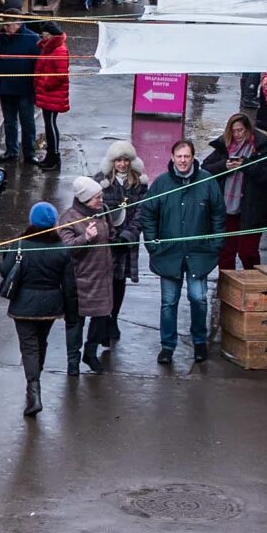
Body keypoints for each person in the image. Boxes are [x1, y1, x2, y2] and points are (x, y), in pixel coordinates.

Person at [138, 137, 225, 365]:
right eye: (179, 156)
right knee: (169, 302)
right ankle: (167, 346)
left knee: (198, 298)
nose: (183, 160)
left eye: (187, 156)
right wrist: (152, 243)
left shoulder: (207, 182)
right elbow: (148, 213)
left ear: (193, 157)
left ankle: (199, 342)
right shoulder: (162, 183)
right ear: (173, 158)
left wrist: (215, 243)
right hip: (169, 254)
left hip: (200, 254)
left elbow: (218, 214)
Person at [3, 200, 77, 416]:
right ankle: (35, 382)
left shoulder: (20, 245)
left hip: (23, 306)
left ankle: (33, 388)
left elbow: (4, 271)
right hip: (51, 306)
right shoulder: (62, 249)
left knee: (28, 347)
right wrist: (71, 312)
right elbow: (69, 284)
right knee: (40, 342)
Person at [203, 111, 267, 271]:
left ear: (248, 129)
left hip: (252, 209)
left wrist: (247, 166)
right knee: (226, 252)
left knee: (247, 252)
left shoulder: (263, 148)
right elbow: (206, 169)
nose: (237, 134)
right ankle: (226, 287)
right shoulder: (224, 147)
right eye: (234, 131)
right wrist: (224, 166)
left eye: (240, 130)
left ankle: (253, 284)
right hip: (226, 209)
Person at [60, 176, 116, 373]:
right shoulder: (69, 218)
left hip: (102, 277)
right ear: (84, 199)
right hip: (79, 280)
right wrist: (85, 238)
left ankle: (90, 353)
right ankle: (73, 361)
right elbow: (66, 248)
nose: (100, 200)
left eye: (101, 196)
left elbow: (111, 234)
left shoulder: (102, 212)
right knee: (76, 322)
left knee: (101, 317)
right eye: (96, 198)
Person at [96, 141, 152, 330]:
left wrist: (127, 235)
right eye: (118, 160)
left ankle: (114, 318)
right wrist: (107, 235)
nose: (122, 164)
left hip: (126, 241)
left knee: (119, 281)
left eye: (126, 160)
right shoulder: (101, 182)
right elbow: (95, 210)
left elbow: (142, 212)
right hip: (106, 241)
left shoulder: (139, 184)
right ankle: (102, 319)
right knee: (104, 281)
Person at [0, 7, 40, 165]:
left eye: (9, 25)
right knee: (9, 121)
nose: (6, 28)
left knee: (27, 121)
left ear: (18, 23)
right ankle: (11, 151)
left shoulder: (31, 38)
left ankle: (29, 153)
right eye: (5, 25)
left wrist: (37, 87)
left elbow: (38, 64)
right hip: (5, 86)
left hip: (24, 88)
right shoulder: (2, 38)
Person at [32, 22, 70, 169]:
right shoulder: (48, 48)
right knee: (49, 124)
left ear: (51, 35)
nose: (42, 36)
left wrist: (45, 84)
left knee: (51, 124)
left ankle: (54, 157)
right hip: (48, 92)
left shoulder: (59, 50)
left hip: (52, 93)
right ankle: (50, 156)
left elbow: (60, 75)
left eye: (45, 34)